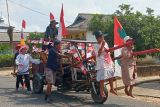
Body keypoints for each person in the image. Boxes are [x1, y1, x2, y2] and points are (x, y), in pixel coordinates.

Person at [94, 31, 117, 98]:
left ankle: (112, 89)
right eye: (101, 37)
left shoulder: (105, 43)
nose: (102, 38)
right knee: (102, 77)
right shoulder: (96, 45)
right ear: (97, 38)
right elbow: (98, 54)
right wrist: (102, 46)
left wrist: (109, 50)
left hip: (108, 60)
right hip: (101, 62)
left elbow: (108, 51)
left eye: (102, 36)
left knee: (111, 74)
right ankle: (101, 92)